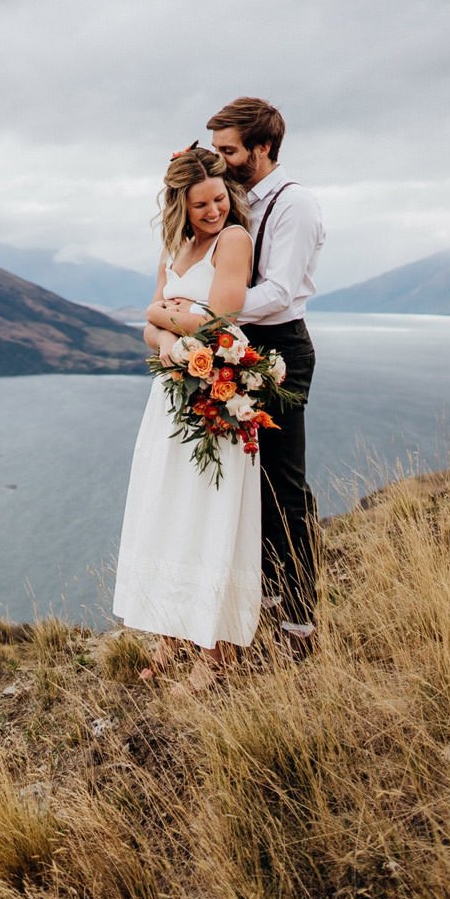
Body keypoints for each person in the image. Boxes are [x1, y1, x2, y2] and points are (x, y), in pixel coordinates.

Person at [113, 145, 261, 687]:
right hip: (172, 394)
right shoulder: (174, 244)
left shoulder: (235, 241)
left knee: (210, 511)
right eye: (200, 204)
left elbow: (221, 317)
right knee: (170, 508)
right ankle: (172, 635)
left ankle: (214, 649)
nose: (213, 211)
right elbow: (151, 328)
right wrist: (166, 335)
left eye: (219, 199)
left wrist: (163, 320)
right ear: (180, 203)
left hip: (218, 394)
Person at [207, 97, 325, 658]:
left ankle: (300, 625)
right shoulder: (236, 202)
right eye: (217, 149)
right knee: (247, 488)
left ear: (263, 147)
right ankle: (268, 603)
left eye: (229, 150)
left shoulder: (294, 203)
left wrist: (208, 313)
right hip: (243, 347)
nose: (221, 159)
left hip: (282, 349)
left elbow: (278, 292)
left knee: (284, 488)